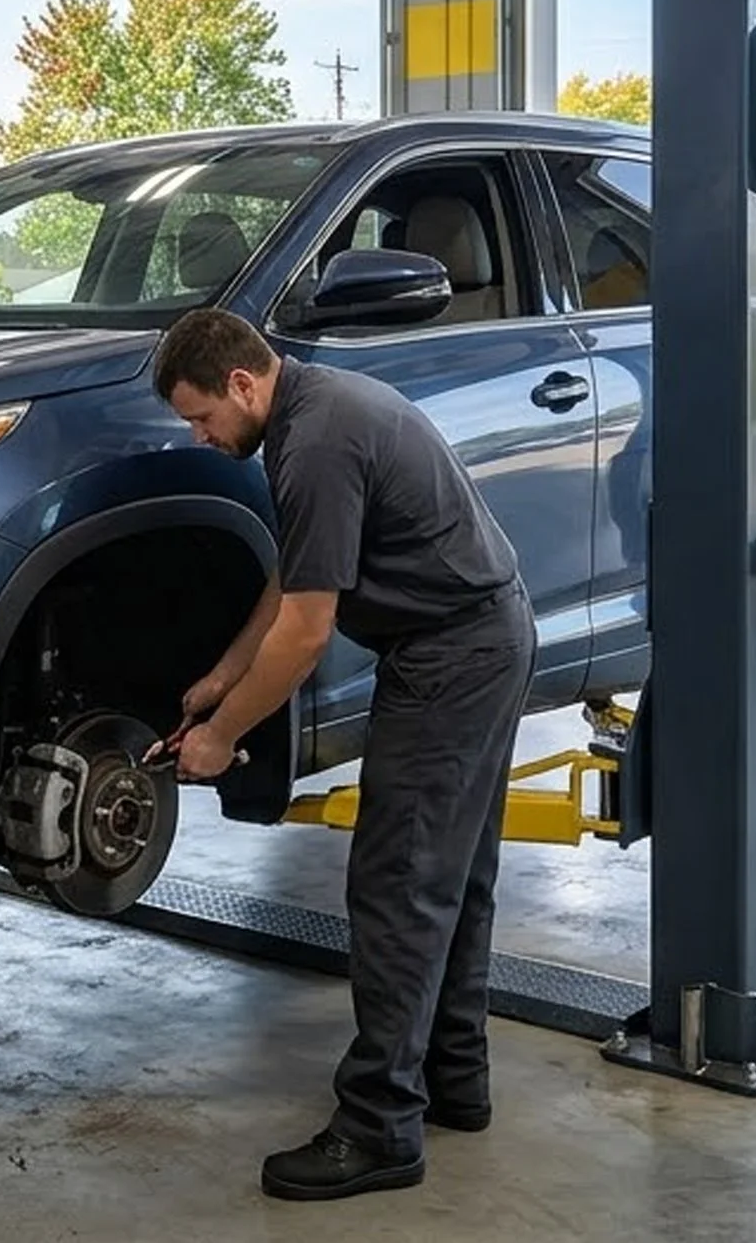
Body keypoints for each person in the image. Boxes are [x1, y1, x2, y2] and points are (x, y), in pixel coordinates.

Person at [150, 307, 532, 1203]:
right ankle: (455, 1081)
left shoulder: (313, 437)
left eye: (201, 417)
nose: (201, 438)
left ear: (243, 383)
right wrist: (220, 675)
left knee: (398, 882)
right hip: (482, 632)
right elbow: (298, 574)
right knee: (450, 876)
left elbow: (309, 631)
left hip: (454, 653)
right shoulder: (311, 410)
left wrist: (221, 735)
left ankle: (378, 1125)